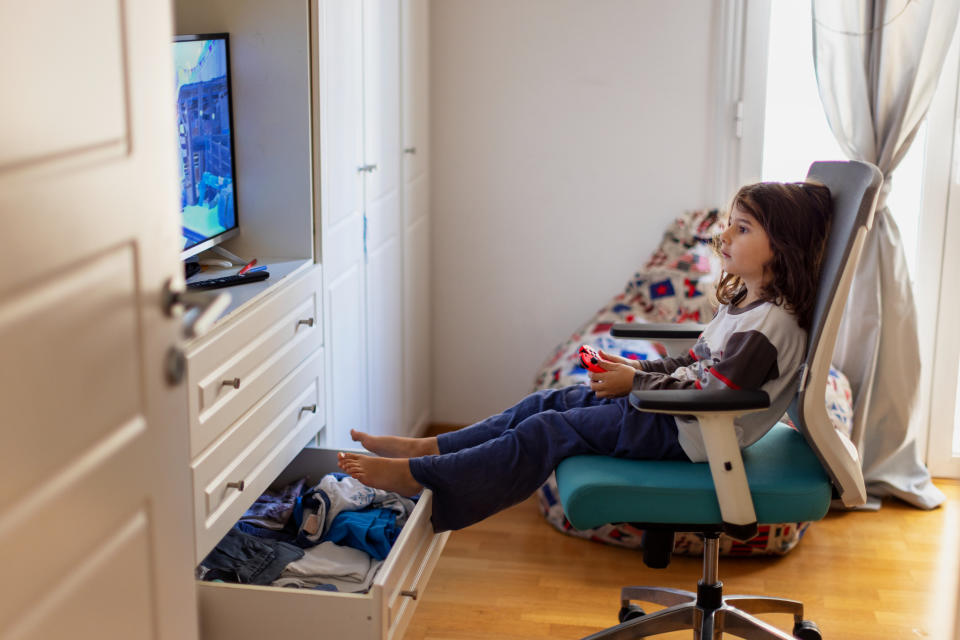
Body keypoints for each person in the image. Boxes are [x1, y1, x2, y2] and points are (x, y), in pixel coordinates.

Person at [338, 181, 833, 532]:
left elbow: (714, 391)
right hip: (676, 416)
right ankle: (432, 449)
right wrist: (634, 370)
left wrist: (635, 387)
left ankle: (422, 479)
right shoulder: (748, 304)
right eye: (730, 225)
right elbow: (696, 365)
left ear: (782, 247)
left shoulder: (769, 326)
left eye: (742, 229)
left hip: (691, 432)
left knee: (546, 430)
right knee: (546, 403)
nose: (723, 236)